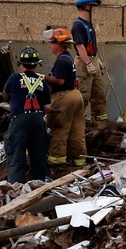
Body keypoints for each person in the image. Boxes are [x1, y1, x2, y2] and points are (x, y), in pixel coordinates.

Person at [3, 47, 52, 183]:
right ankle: (37, 187)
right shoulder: (43, 83)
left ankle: (16, 188)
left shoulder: (14, 78)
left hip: (19, 119)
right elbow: (48, 106)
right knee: (38, 156)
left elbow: (6, 93)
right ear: (36, 64)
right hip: (38, 119)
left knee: (16, 155)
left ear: (21, 64)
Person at [43, 28, 86, 167]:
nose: (50, 45)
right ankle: (78, 159)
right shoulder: (68, 58)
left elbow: (60, 81)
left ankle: (57, 159)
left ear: (59, 44)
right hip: (76, 95)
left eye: (52, 43)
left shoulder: (61, 60)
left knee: (59, 127)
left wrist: (44, 78)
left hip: (64, 97)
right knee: (77, 130)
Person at [72, 0, 107, 122]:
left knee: (99, 95)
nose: (93, 8)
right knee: (84, 95)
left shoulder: (89, 25)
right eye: (92, 5)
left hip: (92, 59)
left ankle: (99, 122)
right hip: (83, 63)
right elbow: (80, 46)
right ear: (86, 6)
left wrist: (95, 61)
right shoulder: (78, 25)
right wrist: (88, 63)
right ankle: (78, 125)